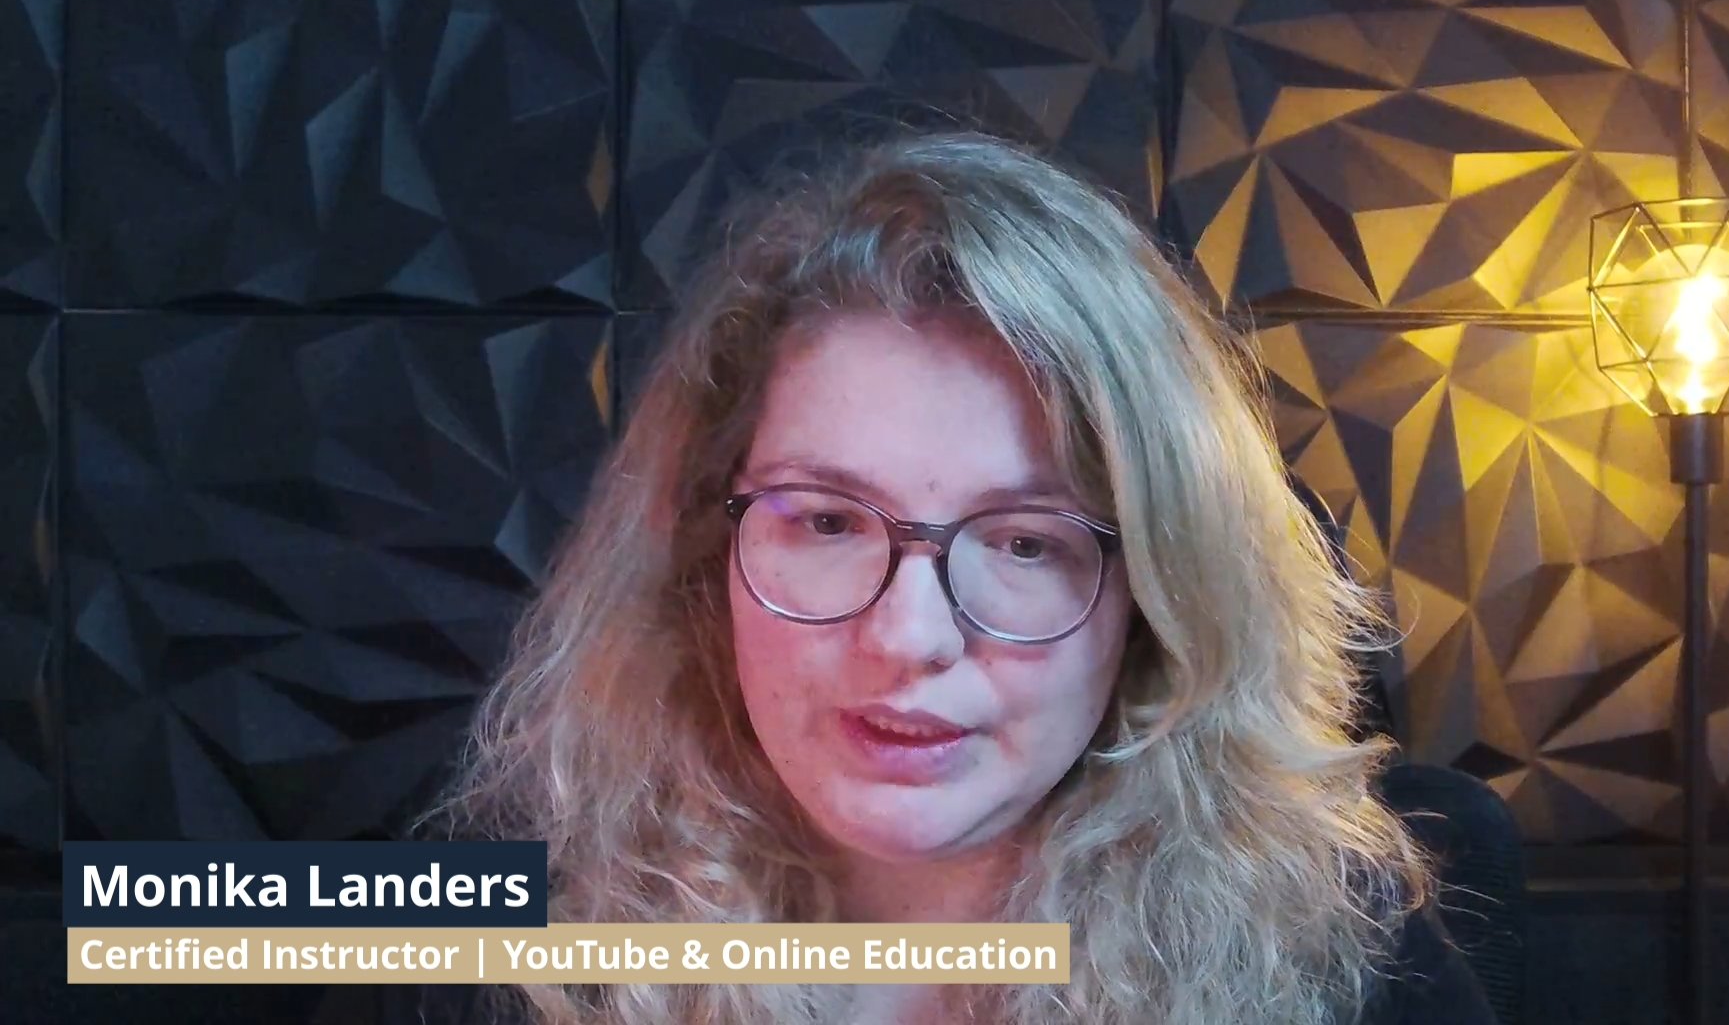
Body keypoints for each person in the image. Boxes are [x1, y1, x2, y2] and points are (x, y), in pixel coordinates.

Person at [403, 130, 1497, 1024]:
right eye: (828, 520)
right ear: (707, 555)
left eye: (1027, 542)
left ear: (1155, 602)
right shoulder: (501, 957)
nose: (908, 636)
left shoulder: (1359, 957)